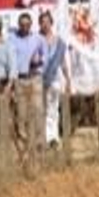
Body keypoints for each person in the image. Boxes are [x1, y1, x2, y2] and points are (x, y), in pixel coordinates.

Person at [8, 12, 46, 149]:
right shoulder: (12, 39)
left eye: (27, 24)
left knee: (37, 109)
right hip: (20, 79)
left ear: (31, 25)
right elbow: (10, 58)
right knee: (21, 111)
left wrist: (38, 62)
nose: (24, 27)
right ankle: (23, 142)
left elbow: (45, 57)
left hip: (35, 78)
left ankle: (39, 142)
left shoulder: (38, 39)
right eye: (22, 24)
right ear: (19, 25)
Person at [38, 11, 69, 147]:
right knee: (40, 110)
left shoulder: (59, 42)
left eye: (47, 22)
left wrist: (68, 80)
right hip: (38, 79)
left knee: (53, 109)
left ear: (51, 23)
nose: (45, 24)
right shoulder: (37, 39)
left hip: (54, 79)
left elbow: (63, 63)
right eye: (42, 22)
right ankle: (42, 137)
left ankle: (53, 138)